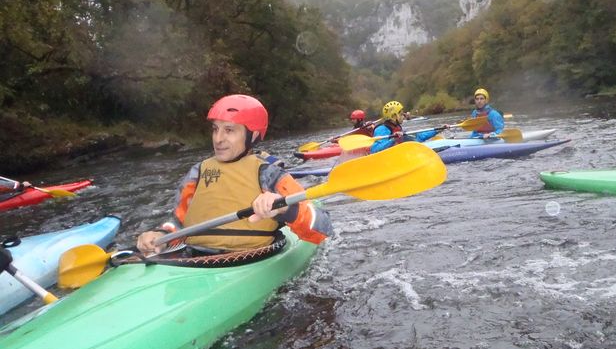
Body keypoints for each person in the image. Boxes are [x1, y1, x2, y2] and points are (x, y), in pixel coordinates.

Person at [137, 94, 332, 255]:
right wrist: (160, 235)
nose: (218, 139)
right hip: (194, 257)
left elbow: (322, 227)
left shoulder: (269, 174)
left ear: (253, 135)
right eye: (215, 129)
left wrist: (283, 208)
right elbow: (179, 222)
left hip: (250, 258)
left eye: (229, 130)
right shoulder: (198, 172)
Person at [370, 101, 443, 153]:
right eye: (401, 114)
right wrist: (393, 140)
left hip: (400, 155)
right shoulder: (381, 129)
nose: (403, 116)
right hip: (387, 160)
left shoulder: (397, 127)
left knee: (408, 137)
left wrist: (438, 130)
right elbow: (374, 150)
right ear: (394, 116)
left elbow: (418, 137)